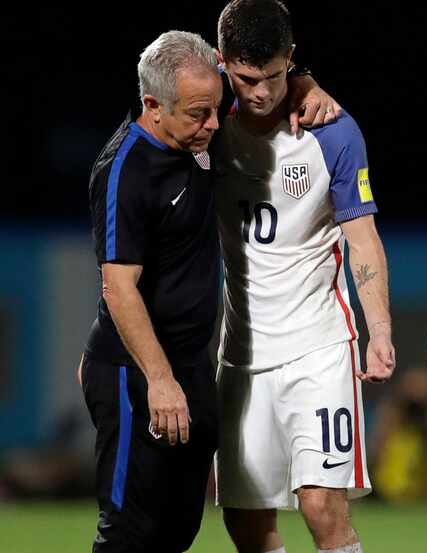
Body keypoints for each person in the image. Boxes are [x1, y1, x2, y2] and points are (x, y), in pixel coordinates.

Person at [81, 28, 342, 553]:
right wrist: (158, 381)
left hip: (195, 368)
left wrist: (305, 81)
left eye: (214, 109)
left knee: (179, 530)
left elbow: (260, 70)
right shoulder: (125, 171)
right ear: (152, 105)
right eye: (197, 114)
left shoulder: (197, 121)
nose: (212, 125)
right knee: (130, 533)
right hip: (139, 377)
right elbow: (119, 288)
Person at [211, 2, 395, 553]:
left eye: (273, 76)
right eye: (246, 78)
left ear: (291, 59)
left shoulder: (331, 131)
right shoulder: (206, 117)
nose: (261, 92)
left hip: (319, 348)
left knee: (320, 505)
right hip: (240, 353)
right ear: (222, 63)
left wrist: (379, 329)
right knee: (246, 522)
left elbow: (362, 238)